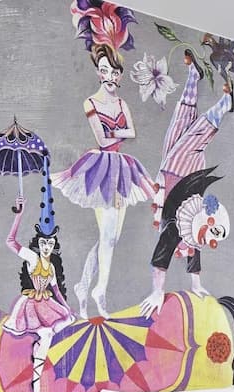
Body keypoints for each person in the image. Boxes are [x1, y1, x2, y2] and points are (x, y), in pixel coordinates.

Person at [52, 43, 155, 318]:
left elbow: (132, 132)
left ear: (119, 75)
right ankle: (100, 290)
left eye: (114, 72)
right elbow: (102, 138)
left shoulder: (121, 103)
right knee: (108, 237)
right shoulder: (91, 103)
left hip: (122, 169)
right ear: (99, 73)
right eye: (105, 70)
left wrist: (116, 132)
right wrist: (119, 132)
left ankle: (83, 285)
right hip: (101, 170)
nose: (110, 76)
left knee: (111, 238)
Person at [139, 51, 234, 318]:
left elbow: (162, 260)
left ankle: (195, 77)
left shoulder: (176, 229)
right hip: (183, 171)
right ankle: (224, 103)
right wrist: (196, 283)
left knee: (179, 124)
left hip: (167, 172)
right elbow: (195, 247)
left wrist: (158, 291)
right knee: (195, 136)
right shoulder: (194, 219)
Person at [3, 196, 75, 392]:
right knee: (47, 336)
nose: (46, 246)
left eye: (50, 243)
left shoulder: (51, 267)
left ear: (54, 245)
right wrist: (19, 214)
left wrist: (67, 308)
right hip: (31, 305)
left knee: (48, 336)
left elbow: (57, 291)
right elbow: (10, 242)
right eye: (43, 242)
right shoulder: (32, 258)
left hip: (46, 304)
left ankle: (37, 362)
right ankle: (36, 382)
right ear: (38, 243)